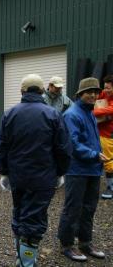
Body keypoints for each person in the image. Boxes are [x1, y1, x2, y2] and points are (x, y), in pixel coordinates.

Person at [0, 74, 72, 267]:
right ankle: (27, 261)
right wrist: (60, 172)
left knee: (19, 213)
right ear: (41, 91)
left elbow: (1, 146)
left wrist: (4, 172)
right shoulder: (52, 114)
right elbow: (63, 148)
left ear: (22, 91)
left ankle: (22, 257)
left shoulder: (10, 114)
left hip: (18, 177)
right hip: (43, 179)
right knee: (34, 220)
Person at [58, 77, 107, 262]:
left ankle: (85, 242)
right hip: (77, 169)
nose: (93, 95)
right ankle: (66, 245)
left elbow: (92, 140)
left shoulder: (89, 112)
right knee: (73, 208)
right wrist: (94, 154)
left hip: (93, 169)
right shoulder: (72, 114)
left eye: (96, 92)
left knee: (89, 208)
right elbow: (73, 143)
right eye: (89, 92)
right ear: (80, 94)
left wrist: (97, 155)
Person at [43, 76, 73, 188]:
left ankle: (58, 176)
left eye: (60, 88)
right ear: (50, 86)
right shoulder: (42, 98)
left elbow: (73, 111)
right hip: (45, 132)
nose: (59, 90)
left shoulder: (64, 99)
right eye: (56, 87)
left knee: (59, 153)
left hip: (59, 131)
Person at [93, 75, 113, 199]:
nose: (106, 90)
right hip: (100, 132)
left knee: (109, 161)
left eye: (109, 88)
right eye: (105, 88)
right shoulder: (103, 94)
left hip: (108, 134)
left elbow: (110, 109)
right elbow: (95, 99)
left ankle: (110, 188)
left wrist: (92, 111)